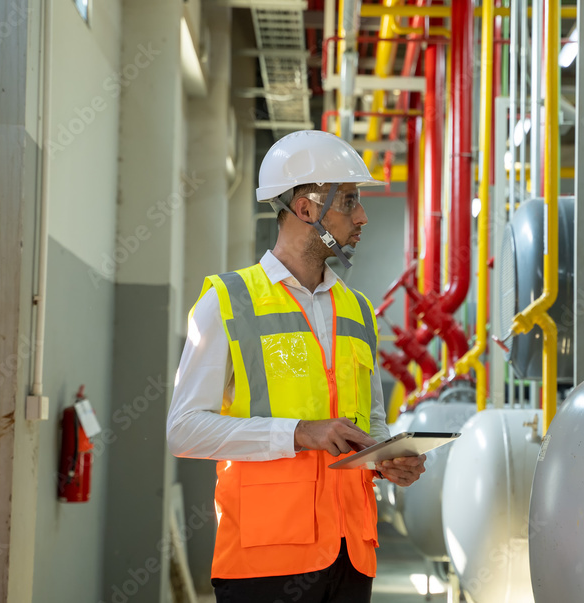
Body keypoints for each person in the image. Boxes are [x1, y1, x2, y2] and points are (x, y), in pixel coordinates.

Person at [167, 130, 426, 603]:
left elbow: (368, 423)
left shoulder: (359, 311)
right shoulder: (227, 301)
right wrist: (298, 432)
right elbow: (183, 430)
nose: (363, 216)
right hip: (265, 564)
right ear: (306, 209)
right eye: (349, 201)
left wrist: (386, 460)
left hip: (351, 558)